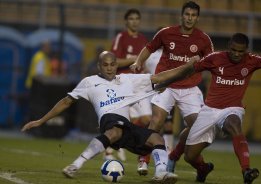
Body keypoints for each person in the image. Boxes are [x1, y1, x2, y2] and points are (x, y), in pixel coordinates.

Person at [21, 51, 196, 183]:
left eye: (113, 64)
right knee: (115, 130)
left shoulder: (127, 80)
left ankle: (160, 174)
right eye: (106, 64)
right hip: (109, 119)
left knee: (156, 138)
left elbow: (160, 77)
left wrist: (187, 68)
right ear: (99, 66)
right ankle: (75, 165)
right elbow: (66, 102)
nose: (110, 67)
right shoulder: (89, 82)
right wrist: (41, 120)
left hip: (126, 126)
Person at [179, 32, 261, 183]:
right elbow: (192, 68)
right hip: (209, 111)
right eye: (234, 50)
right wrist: (170, 80)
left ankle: (246, 170)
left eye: (241, 51)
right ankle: (203, 168)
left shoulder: (252, 60)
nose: (237, 54)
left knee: (234, 124)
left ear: (246, 50)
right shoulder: (215, 58)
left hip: (232, 109)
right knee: (190, 156)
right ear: (229, 47)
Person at [130, 0, 214, 172]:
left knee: (198, 128)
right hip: (166, 86)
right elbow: (149, 47)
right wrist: (138, 62)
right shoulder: (166, 33)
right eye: (187, 14)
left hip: (190, 88)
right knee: (156, 122)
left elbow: (213, 62)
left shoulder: (203, 39)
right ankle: (143, 159)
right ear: (181, 15)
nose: (189, 18)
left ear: (197, 18)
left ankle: (177, 157)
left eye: (193, 15)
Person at [110, 8, 150, 173]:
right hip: (124, 85)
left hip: (140, 85)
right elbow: (112, 61)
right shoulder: (121, 37)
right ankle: (119, 147)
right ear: (126, 21)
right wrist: (132, 59)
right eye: (131, 18)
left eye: (137, 18)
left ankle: (130, 150)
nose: (134, 21)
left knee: (147, 120)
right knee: (128, 121)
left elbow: (144, 63)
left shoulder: (143, 39)